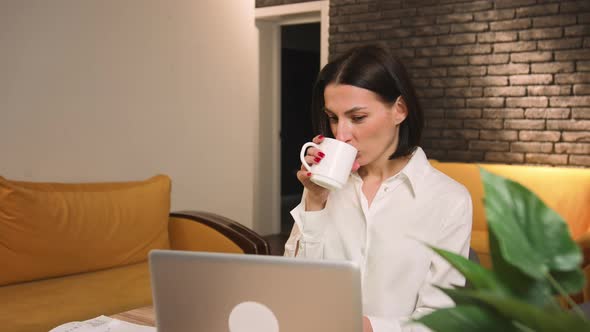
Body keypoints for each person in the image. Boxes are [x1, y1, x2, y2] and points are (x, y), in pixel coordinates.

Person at [284, 44, 473, 332]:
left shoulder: (449, 200)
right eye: (333, 118)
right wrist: (315, 201)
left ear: (399, 110)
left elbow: (441, 321)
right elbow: (295, 288)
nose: (341, 134)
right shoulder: (326, 187)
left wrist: (368, 327)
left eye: (357, 118)